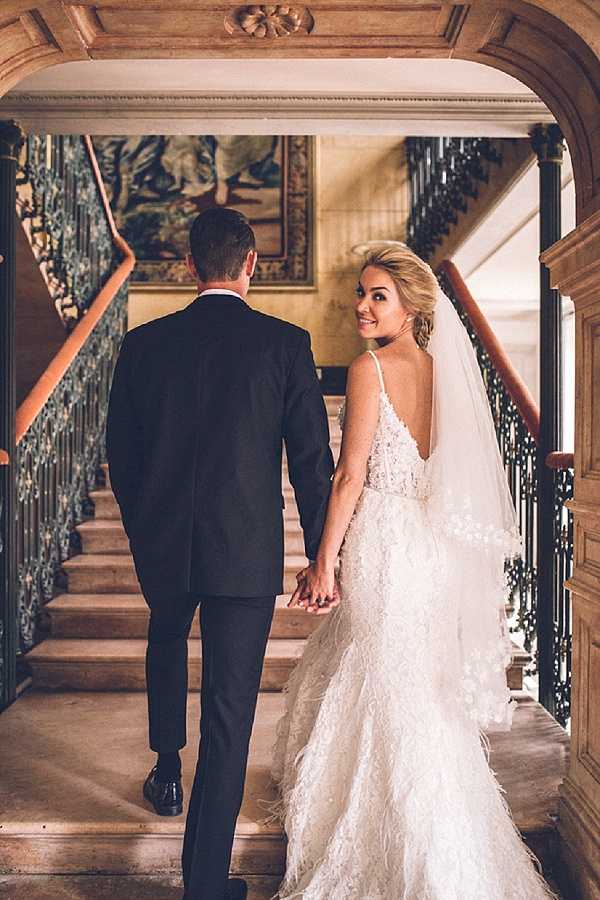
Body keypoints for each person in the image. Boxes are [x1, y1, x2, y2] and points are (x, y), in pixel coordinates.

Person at [268, 241, 559, 899]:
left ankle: (399, 842)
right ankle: (447, 841)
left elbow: (349, 477)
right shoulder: (443, 371)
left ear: (410, 306)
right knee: (412, 685)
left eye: (378, 296)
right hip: (426, 549)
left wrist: (322, 563)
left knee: (385, 682)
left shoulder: (370, 369)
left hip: (384, 540)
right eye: (362, 293)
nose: (362, 306)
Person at [105, 207, 334, 900]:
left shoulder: (142, 345)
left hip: (165, 546)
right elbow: (311, 465)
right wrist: (325, 555)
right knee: (230, 713)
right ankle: (205, 883)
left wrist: (147, 533)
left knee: (167, 640)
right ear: (252, 264)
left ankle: (167, 766)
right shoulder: (286, 344)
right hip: (245, 553)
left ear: (189, 265)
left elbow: (121, 456)